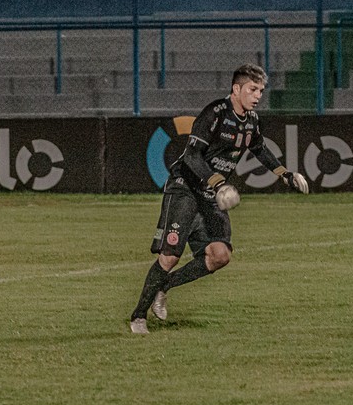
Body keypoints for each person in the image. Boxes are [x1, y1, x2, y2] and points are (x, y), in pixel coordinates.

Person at [129, 64, 309, 334]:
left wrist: (284, 173)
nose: (258, 95)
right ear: (236, 89)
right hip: (185, 187)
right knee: (170, 257)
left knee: (220, 255)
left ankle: (164, 286)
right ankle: (138, 317)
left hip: (212, 193)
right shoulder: (214, 114)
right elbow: (191, 156)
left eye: (261, 90)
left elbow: (259, 148)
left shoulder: (251, 120)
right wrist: (218, 182)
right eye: (252, 89)